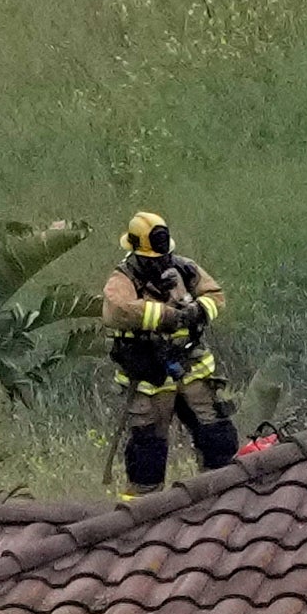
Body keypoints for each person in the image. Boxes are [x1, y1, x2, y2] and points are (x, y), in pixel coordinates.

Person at [102, 212, 241, 499]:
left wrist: (197, 310)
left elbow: (215, 295)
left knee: (218, 439)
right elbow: (117, 310)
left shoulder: (184, 269)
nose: (160, 263)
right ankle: (140, 520)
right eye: (153, 259)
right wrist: (166, 316)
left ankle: (223, 501)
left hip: (192, 369)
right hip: (149, 376)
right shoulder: (123, 279)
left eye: (164, 256)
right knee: (147, 454)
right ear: (137, 254)